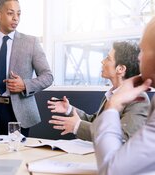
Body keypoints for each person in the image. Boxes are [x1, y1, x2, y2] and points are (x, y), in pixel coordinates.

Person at [0, 0, 53, 137]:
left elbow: (48, 76)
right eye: (10, 13)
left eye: (18, 14)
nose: (16, 18)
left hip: (19, 113)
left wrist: (25, 85)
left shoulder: (31, 42)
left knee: (17, 155)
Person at [47, 41, 150, 141]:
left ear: (121, 69)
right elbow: (95, 122)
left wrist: (78, 126)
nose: (103, 61)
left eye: (108, 58)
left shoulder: (138, 99)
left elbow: (124, 136)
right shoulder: (111, 95)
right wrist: (69, 109)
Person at [91, 17, 155, 174]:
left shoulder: (137, 100)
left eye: (143, 50)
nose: (139, 57)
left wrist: (113, 105)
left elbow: (111, 170)